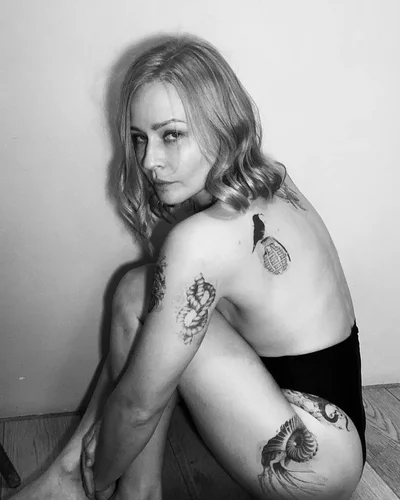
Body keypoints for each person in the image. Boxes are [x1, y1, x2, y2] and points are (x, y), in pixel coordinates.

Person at [11, 34, 365, 500]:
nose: (149, 161)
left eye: (171, 135)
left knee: (142, 316)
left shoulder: (203, 239)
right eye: (140, 138)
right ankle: (98, 483)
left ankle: (87, 485)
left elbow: (139, 407)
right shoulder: (271, 177)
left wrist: (100, 469)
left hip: (314, 463)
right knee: (140, 290)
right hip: (339, 428)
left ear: (221, 125)